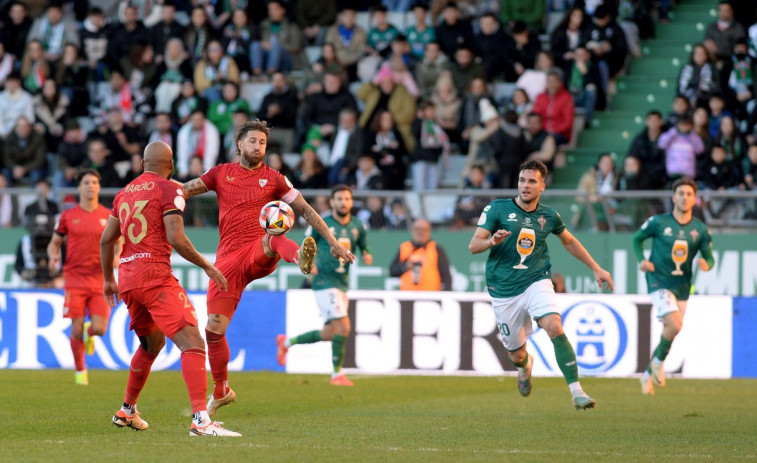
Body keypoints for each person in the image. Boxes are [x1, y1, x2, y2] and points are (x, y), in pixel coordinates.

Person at [180, 119, 354, 417]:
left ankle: (300, 255)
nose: (258, 147)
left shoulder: (274, 178)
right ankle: (221, 389)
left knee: (273, 236)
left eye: (262, 142)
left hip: (258, 250)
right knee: (213, 329)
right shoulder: (221, 173)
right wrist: (154, 197)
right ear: (240, 144)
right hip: (227, 262)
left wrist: (333, 241)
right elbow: (184, 190)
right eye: (252, 141)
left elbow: (305, 209)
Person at [100, 141, 240, 436]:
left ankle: (127, 410)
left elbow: (105, 240)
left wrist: (108, 279)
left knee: (152, 345)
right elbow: (176, 238)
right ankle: (201, 420)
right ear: (172, 165)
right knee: (193, 343)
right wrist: (207, 266)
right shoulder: (169, 188)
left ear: (142, 164)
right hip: (154, 276)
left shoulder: (124, 193)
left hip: (127, 279)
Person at [468, 160, 614, 409]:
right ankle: (525, 368)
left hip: (537, 280)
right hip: (503, 291)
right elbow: (473, 246)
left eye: (532, 181)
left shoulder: (549, 216)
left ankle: (576, 391)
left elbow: (569, 241)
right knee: (517, 355)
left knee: (554, 325)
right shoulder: (496, 209)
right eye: (522, 180)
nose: (525, 186)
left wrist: (595, 268)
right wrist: (492, 241)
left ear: (542, 186)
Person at [277, 185, 372, 386]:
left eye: (346, 199)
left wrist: (366, 253)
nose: (343, 202)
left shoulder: (358, 225)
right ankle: (337, 375)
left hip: (342, 283)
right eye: (339, 199)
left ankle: (286, 343)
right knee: (344, 327)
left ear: (351, 202)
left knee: (330, 333)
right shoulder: (322, 223)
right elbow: (306, 243)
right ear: (332, 202)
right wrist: (309, 263)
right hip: (323, 282)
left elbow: (363, 243)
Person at [633, 177, 714, 395]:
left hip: (682, 286)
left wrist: (707, 264)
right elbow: (636, 239)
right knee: (675, 324)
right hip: (658, 280)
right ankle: (658, 363)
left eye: (689, 194)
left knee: (671, 329)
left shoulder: (700, 229)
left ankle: (649, 372)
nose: (685, 197)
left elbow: (710, 257)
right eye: (681, 193)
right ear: (673, 197)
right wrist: (642, 259)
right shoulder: (658, 222)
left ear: (694, 199)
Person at [47, 170, 120, 386]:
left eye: (95, 182)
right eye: (86, 182)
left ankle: (91, 334)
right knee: (75, 327)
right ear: (79, 187)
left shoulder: (108, 215)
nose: (91, 186)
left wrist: (117, 256)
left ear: (99, 187)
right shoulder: (68, 216)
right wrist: (53, 256)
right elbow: (54, 242)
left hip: (100, 279)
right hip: (75, 279)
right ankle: (80, 371)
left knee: (99, 329)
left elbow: (120, 240)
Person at [389, 218, 452, 291]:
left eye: (424, 230)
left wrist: (446, 294)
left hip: (431, 295)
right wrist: (405, 266)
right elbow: (392, 271)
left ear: (429, 231)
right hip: (406, 294)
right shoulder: (404, 247)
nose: (420, 232)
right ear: (412, 230)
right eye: (418, 229)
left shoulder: (436, 248)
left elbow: (446, 275)